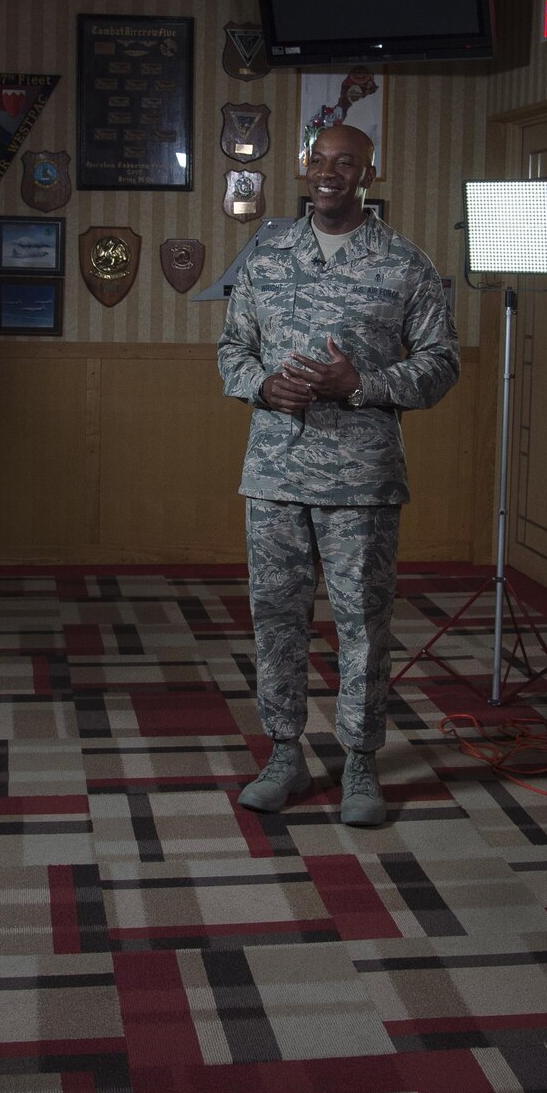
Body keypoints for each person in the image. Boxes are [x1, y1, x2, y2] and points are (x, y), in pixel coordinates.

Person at [216, 124, 459, 827]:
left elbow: (442, 362)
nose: (329, 173)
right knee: (277, 619)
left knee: (362, 624)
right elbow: (233, 347)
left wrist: (362, 384)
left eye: (344, 163)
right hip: (274, 473)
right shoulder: (266, 255)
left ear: (368, 172)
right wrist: (264, 387)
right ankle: (284, 753)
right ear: (304, 168)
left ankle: (359, 763)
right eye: (318, 161)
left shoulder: (404, 263)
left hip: (361, 481)